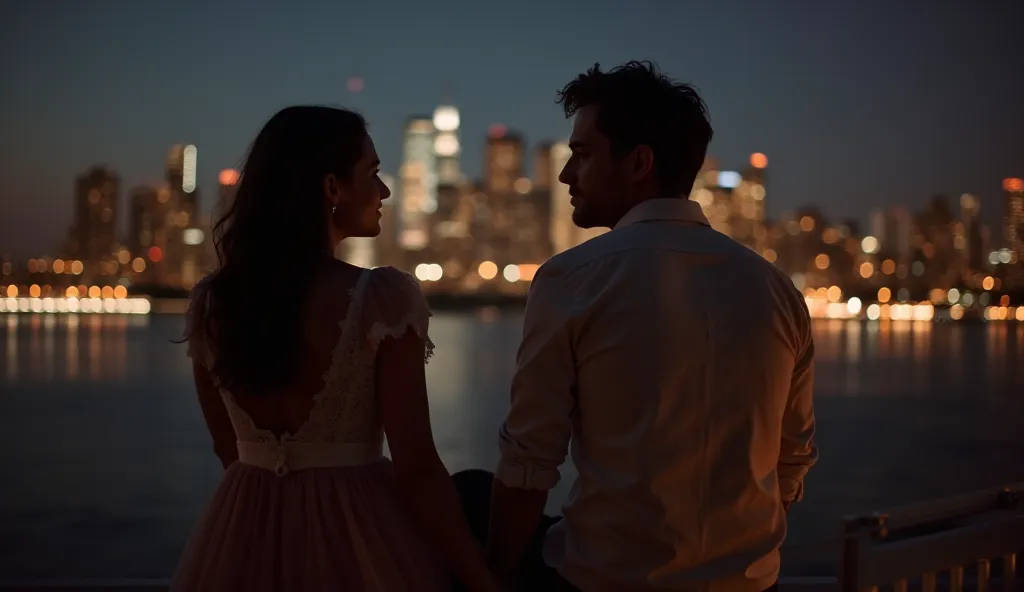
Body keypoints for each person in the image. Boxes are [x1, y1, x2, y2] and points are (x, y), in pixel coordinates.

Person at [486, 62, 819, 591]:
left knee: (466, 493)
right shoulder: (779, 292)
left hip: (607, 580)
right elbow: (791, 461)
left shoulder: (572, 279)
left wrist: (495, 574)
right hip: (752, 583)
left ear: (639, 162)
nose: (565, 175)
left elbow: (529, 463)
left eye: (583, 154)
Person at [171, 106, 499, 592]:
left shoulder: (211, 305)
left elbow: (228, 448)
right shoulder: (381, 300)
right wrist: (482, 577)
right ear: (331, 188)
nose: (384, 191)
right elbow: (416, 468)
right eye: (373, 174)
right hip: (359, 528)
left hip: (244, 526)